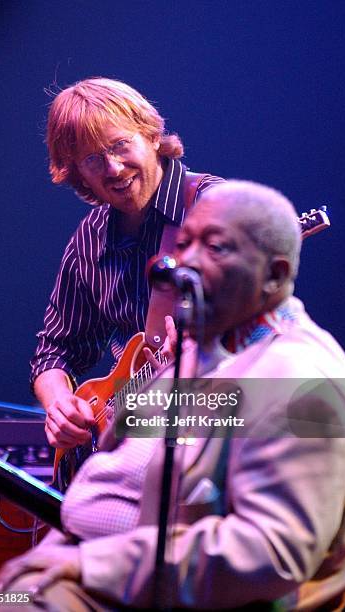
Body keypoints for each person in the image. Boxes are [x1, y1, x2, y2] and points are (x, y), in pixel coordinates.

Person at [0, 181, 345, 610]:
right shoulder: (203, 354)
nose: (183, 261)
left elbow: (271, 552)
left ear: (275, 275)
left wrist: (90, 565)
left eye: (216, 247)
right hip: (83, 567)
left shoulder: (302, 382)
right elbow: (115, 463)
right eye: (184, 243)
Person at [30, 77, 224, 449]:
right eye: (92, 159)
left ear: (151, 136)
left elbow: (262, 323)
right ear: (77, 172)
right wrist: (58, 406)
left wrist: (203, 349)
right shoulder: (90, 238)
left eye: (121, 145)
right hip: (132, 440)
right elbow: (54, 350)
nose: (113, 168)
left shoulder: (215, 207)